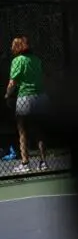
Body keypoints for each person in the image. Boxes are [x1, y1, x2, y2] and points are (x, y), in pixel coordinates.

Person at [3, 36, 49, 173]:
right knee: (40, 131)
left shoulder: (17, 60)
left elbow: (12, 83)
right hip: (41, 98)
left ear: (17, 47)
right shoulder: (36, 60)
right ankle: (43, 162)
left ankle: (25, 163)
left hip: (25, 98)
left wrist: (7, 95)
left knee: (22, 131)